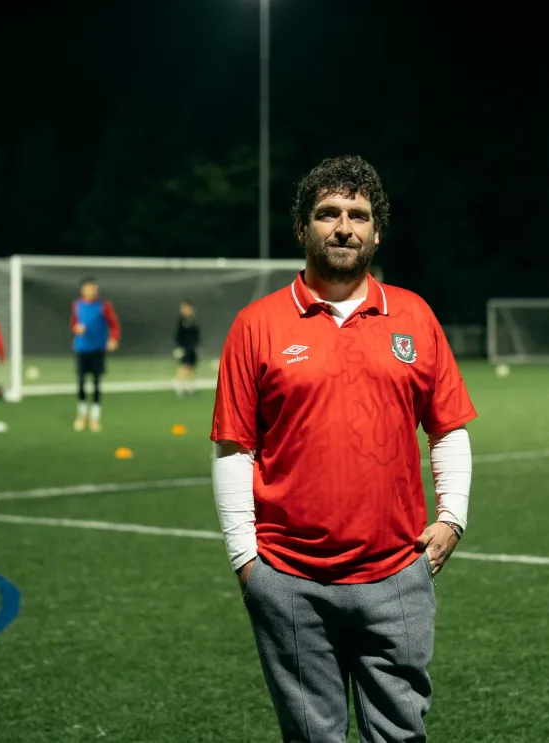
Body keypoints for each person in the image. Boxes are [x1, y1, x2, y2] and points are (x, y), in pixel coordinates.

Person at [211, 155, 476, 742]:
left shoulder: (415, 315)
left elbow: (448, 426)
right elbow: (234, 447)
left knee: (401, 735)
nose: (343, 226)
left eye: (358, 214)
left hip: (398, 574)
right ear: (302, 228)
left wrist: (453, 517)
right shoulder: (256, 324)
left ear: (377, 231)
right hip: (289, 580)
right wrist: (246, 563)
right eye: (327, 213)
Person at [71, 278, 120, 432]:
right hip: (81, 349)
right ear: (83, 290)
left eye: (94, 288)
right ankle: (81, 415)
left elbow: (114, 324)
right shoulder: (76, 305)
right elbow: (73, 323)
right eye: (89, 288)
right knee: (80, 383)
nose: (93, 290)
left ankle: (95, 417)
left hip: (98, 350)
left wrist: (113, 339)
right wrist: (76, 328)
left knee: (97, 383)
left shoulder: (104, 306)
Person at [173, 299, 200, 397]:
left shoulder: (193, 320)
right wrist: (179, 347)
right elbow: (178, 335)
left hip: (192, 347)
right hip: (185, 348)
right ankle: (178, 385)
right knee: (184, 366)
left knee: (191, 367)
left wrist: (196, 345)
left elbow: (196, 334)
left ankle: (191, 387)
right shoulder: (182, 321)